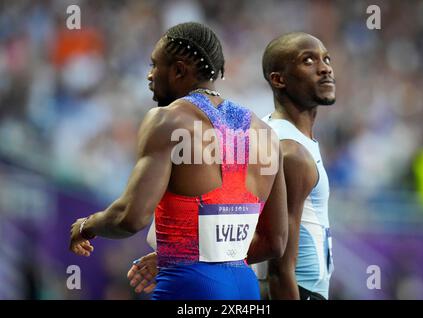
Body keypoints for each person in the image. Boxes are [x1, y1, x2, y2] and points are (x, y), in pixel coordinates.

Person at [69, 22, 288, 300]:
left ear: (179, 70)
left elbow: (130, 217)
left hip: (187, 288)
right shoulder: (266, 134)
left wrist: (85, 226)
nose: (149, 76)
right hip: (245, 289)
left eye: (154, 65)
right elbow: (275, 242)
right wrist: (173, 255)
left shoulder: (168, 120)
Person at [260, 32, 336, 300]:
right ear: (278, 79)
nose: (325, 68)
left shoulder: (283, 136)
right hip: (300, 291)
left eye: (326, 58)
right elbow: (279, 269)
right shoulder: (290, 151)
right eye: (308, 60)